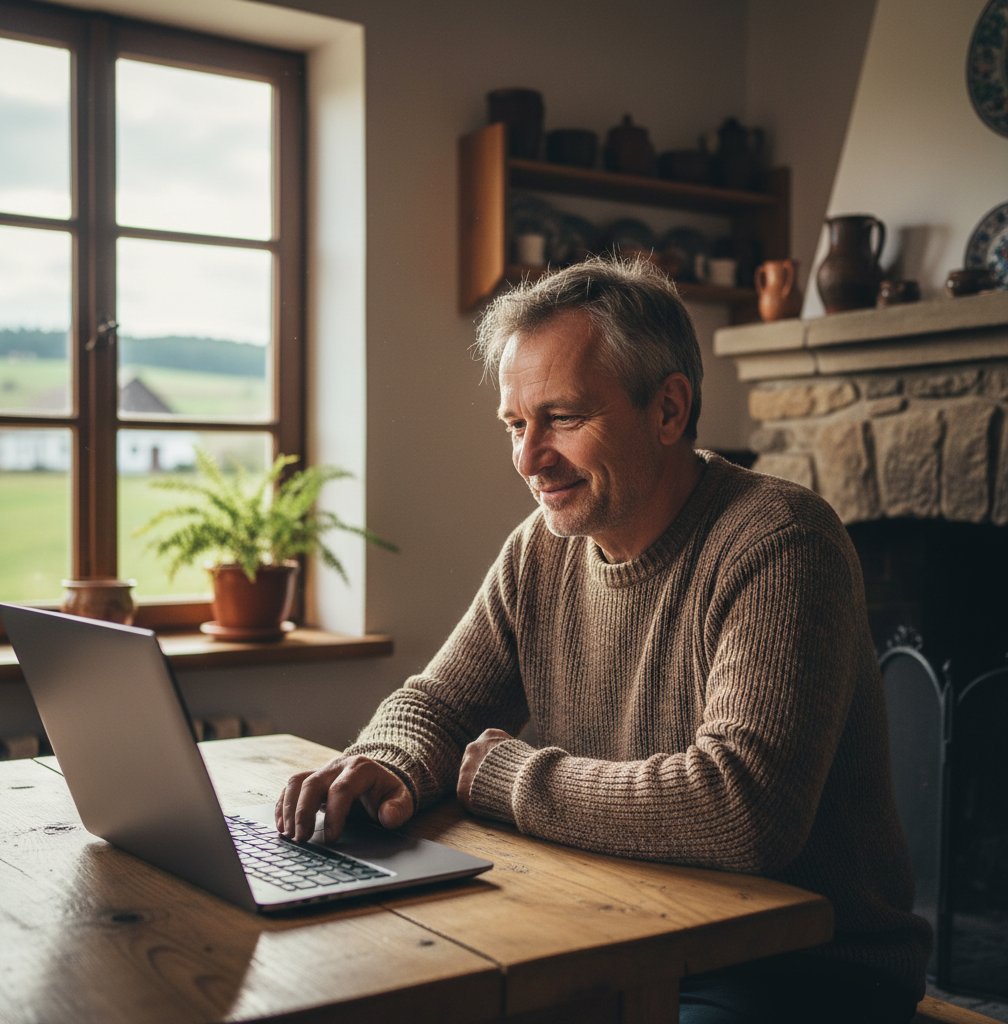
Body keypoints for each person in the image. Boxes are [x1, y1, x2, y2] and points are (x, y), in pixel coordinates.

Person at [276, 256, 931, 1023]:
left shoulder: (782, 540)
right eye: (516, 425)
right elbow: (439, 702)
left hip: (799, 969)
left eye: (562, 418)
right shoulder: (541, 549)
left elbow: (745, 806)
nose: (528, 460)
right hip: (615, 929)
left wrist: (508, 779)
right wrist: (384, 763)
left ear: (669, 410)